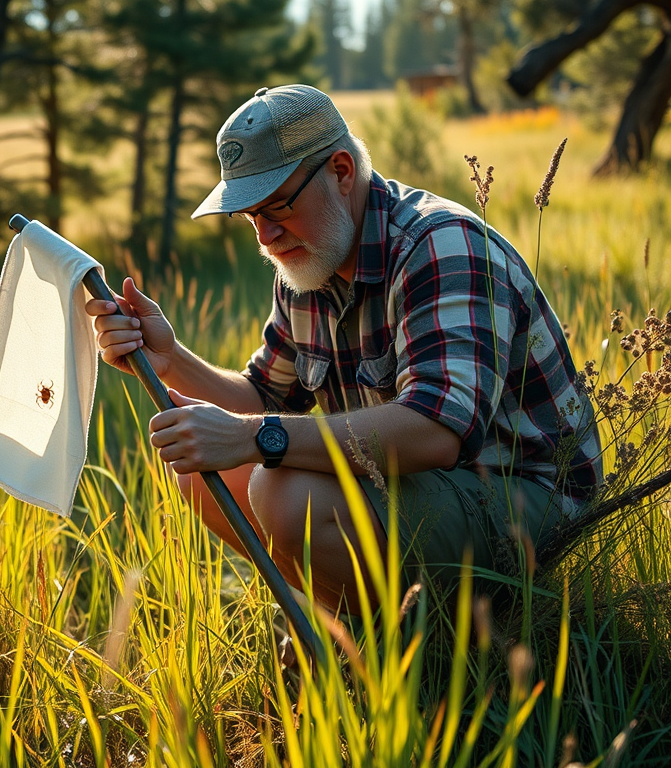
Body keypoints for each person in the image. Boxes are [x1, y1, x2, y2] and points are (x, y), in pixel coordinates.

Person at [87, 84, 602, 609]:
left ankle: (381, 634)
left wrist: (253, 436)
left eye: (277, 205)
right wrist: (170, 359)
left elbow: (437, 432)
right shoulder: (309, 262)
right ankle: (351, 623)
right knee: (204, 472)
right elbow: (264, 397)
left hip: (528, 498)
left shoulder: (440, 246)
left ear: (341, 171)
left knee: (283, 494)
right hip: (421, 486)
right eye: (250, 216)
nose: (265, 236)